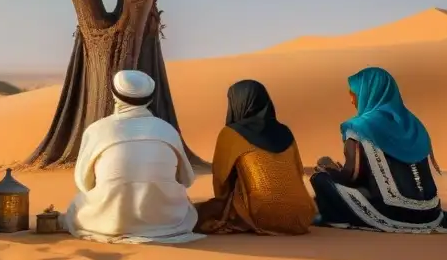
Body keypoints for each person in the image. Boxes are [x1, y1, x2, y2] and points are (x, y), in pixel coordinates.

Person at [309, 66, 447, 234]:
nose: (351, 100)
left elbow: (353, 175)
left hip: (393, 212)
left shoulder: (358, 127)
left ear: (367, 92)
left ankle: (336, 219)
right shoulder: (414, 125)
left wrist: (330, 170)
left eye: (354, 93)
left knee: (320, 178)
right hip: (431, 213)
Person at [64, 70, 202, 244]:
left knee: (76, 206)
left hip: (109, 222)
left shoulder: (97, 130)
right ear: (150, 99)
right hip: (167, 223)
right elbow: (187, 180)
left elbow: (84, 183)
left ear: (114, 95)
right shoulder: (167, 129)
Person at [194, 80, 316, 235]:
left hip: (262, 214)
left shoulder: (231, 134)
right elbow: (297, 172)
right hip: (302, 215)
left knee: (194, 214)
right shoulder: (286, 132)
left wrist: (223, 205)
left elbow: (221, 179)